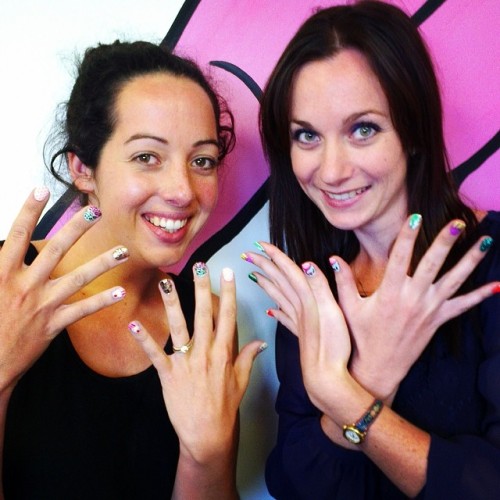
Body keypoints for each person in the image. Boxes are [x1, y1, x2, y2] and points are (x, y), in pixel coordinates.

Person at [241, 1, 500, 498]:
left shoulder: (492, 261)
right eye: (307, 136)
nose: (332, 170)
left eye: (363, 129)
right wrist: (374, 375)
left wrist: (349, 397)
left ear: (414, 131)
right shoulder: (313, 289)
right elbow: (293, 484)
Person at [0, 40, 267, 499]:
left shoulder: (205, 321)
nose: (183, 190)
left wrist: (207, 453)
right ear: (83, 168)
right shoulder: (7, 285)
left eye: (201, 160)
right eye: (147, 157)